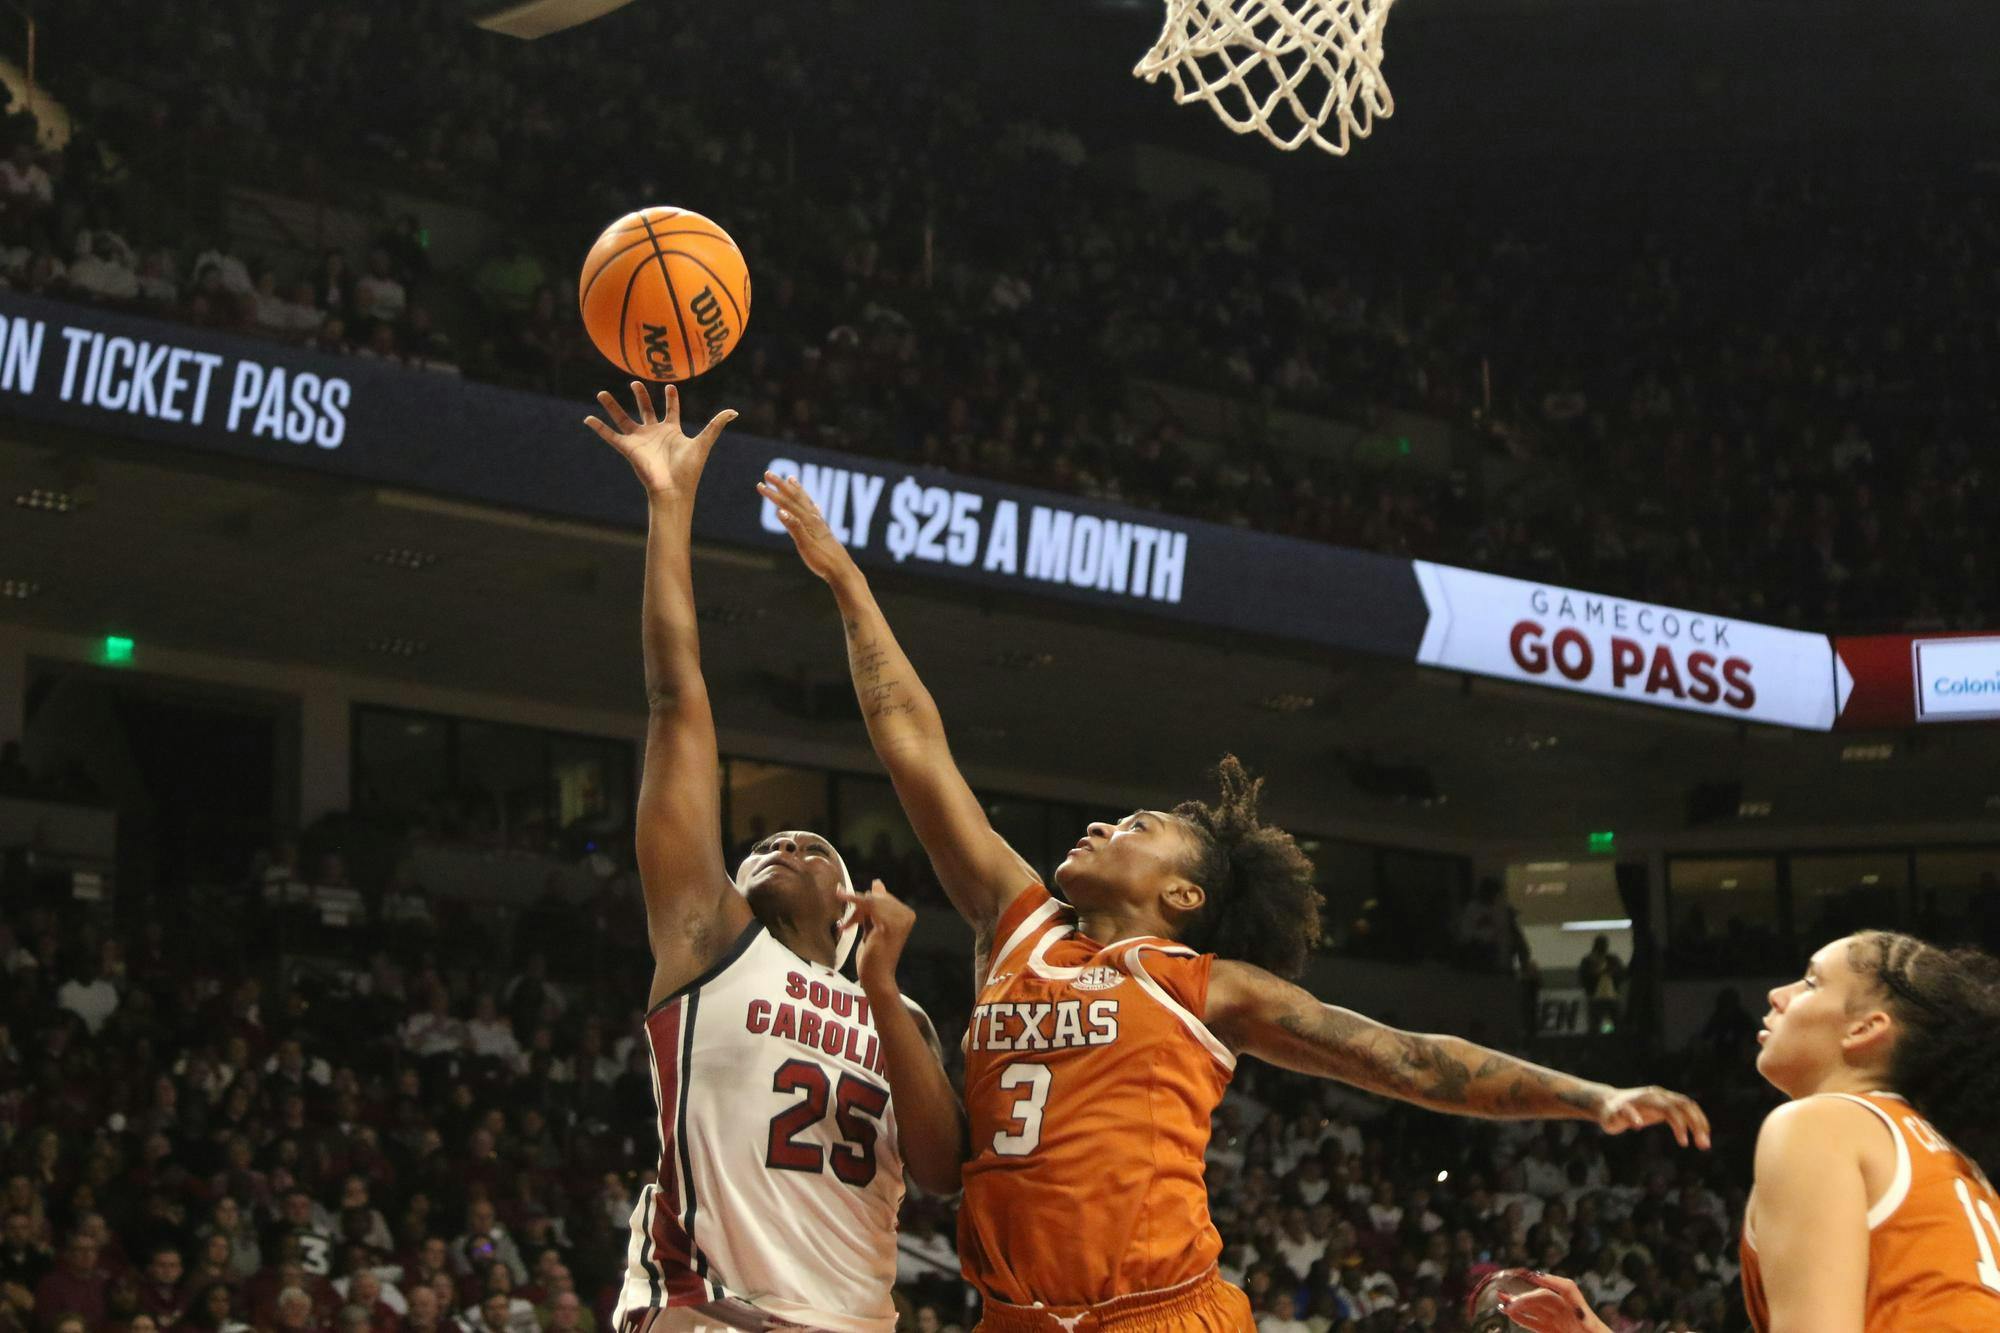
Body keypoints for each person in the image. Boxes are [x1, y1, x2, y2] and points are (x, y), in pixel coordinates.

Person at [758, 471, 1709, 1329]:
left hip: (1161, 1315)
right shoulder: (1016, 922)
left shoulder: (1208, 986)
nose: (1102, 826)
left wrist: (1592, 1095)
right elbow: (914, 748)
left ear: (1183, 891)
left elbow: (1415, 1062)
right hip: (1015, 1318)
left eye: (1137, 824)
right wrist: (847, 580)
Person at [581, 383, 965, 1332]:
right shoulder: (710, 935)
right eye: (765, 842)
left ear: (850, 899)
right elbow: (677, 697)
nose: (784, 840)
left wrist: (881, 987)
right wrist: (670, 508)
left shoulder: (899, 1007)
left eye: (813, 844)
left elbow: (945, 1170)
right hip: (713, 1309)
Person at [1500, 932, 2000, 1333]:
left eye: (1809, 982)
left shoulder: (1820, 1124)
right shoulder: (1952, 1161)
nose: (1776, 995)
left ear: (1863, 1028)